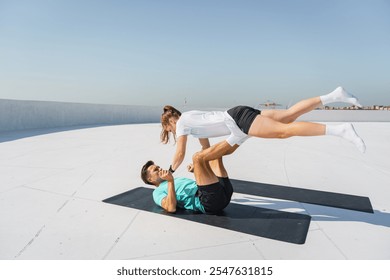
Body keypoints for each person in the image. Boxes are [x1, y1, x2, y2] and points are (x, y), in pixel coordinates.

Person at [160, 86, 366, 172]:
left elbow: (180, 153)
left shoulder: (182, 124)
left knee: (285, 130)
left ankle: (341, 130)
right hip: (237, 117)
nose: (173, 133)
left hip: (238, 121)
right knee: (288, 115)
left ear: (170, 123)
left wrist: (170, 171)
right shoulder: (190, 119)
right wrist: (198, 164)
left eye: (169, 130)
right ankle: (334, 95)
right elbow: (205, 150)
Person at [141, 141, 234, 214]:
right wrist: (170, 181)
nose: (160, 168)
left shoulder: (177, 179)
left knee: (215, 155)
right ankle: (240, 135)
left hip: (223, 192)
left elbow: (202, 184)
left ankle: (240, 136)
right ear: (150, 179)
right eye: (155, 170)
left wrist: (196, 171)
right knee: (197, 157)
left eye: (158, 167)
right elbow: (171, 208)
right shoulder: (157, 192)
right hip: (209, 202)